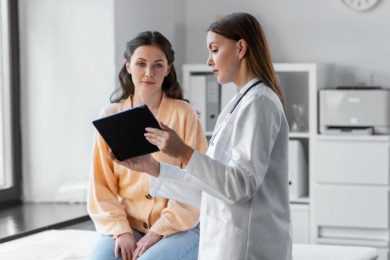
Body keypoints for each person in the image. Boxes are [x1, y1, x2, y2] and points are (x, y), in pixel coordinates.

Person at [115, 13, 292, 260]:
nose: (209, 60)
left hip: (247, 248)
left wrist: (184, 154)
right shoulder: (238, 104)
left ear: (240, 48)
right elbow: (210, 189)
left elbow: (239, 187)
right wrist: (154, 168)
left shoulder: (259, 103)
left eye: (214, 50)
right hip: (224, 243)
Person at [87, 31, 208, 260]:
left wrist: (156, 233)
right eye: (141, 64)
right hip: (126, 225)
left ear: (168, 69)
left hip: (180, 227)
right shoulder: (110, 116)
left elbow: (196, 182)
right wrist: (121, 231)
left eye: (158, 65)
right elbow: (100, 186)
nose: (149, 73)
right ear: (128, 66)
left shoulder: (185, 115)